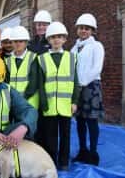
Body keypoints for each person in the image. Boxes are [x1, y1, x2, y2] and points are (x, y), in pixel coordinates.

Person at [36, 22, 80, 170]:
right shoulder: (42, 59)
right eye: (53, 37)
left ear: (65, 39)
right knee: (51, 137)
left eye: (59, 37)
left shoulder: (71, 57)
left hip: (66, 105)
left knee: (66, 136)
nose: (56, 40)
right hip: (49, 106)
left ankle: (63, 162)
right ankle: (51, 163)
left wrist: (74, 101)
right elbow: (40, 84)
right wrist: (43, 103)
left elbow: (75, 82)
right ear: (48, 39)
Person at [71, 13, 105, 166]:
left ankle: (93, 153)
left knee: (91, 121)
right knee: (80, 121)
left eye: (87, 28)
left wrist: (82, 82)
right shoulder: (73, 49)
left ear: (92, 31)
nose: (83, 31)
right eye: (81, 28)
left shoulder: (97, 46)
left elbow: (97, 68)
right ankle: (82, 150)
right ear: (77, 30)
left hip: (91, 87)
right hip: (77, 89)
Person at [5, 26, 39, 110]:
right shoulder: (7, 61)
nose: (18, 44)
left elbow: (34, 82)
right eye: (15, 41)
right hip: (13, 103)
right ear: (12, 43)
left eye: (21, 41)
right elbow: (6, 83)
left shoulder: (34, 58)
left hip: (29, 104)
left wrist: (22, 98)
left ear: (26, 43)